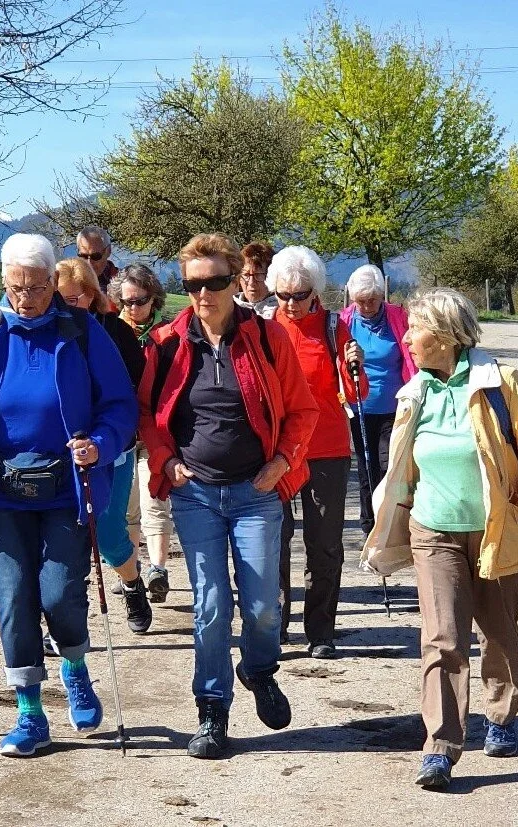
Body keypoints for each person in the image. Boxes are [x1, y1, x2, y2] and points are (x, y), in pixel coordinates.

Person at [0, 234, 138, 757]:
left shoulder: (81, 330)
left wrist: (99, 444)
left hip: (67, 490)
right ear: (4, 280)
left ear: (54, 281)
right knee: (12, 597)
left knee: (57, 592)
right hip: (2, 491)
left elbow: (119, 405)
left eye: (39, 286)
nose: (27, 297)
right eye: (17, 286)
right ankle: (29, 713)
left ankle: (74, 667)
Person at [362, 287, 518, 789]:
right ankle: (441, 746)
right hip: (434, 529)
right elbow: (402, 467)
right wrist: (387, 519)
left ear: (446, 336)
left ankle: (500, 717)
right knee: (443, 637)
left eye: (416, 328)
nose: (406, 337)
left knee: (497, 632)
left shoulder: (502, 384)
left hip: (498, 531)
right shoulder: (416, 392)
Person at [138, 233, 318, 759]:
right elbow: (148, 414)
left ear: (236, 281)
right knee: (212, 606)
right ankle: (212, 711)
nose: (204, 293)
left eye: (215, 282)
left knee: (263, 605)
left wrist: (283, 462)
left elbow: (303, 411)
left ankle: (259, 670)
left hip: (256, 492)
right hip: (195, 493)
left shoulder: (267, 338)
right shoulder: (166, 343)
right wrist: (166, 462)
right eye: (193, 284)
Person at [266, 246, 368, 658]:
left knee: (324, 543)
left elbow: (357, 394)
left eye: (299, 294)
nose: (290, 304)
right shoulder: (262, 328)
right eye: (282, 295)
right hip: (275, 451)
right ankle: (273, 626)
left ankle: (320, 631)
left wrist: (353, 364)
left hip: (326, 448)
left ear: (316, 292)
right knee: (273, 541)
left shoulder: (332, 329)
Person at [56, 258, 152, 633]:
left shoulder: (115, 332)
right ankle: (66, 617)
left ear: (92, 297)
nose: (63, 307)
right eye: (58, 298)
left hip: (113, 448)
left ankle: (131, 584)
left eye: (72, 299)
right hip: (62, 452)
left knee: (109, 534)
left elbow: (136, 390)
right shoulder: (45, 333)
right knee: (66, 534)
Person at [107, 263, 174, 602]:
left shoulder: (167, 335)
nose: (134, 308)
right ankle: (130, 569)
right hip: (120, 431)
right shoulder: (111, 334)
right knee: (126, 506)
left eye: (141, 300)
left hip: (156, 429)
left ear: (154, 299)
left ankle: (158, 569)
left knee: (155, 501)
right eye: (127, 301)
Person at [341, 265, 416, 537]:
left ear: (382, 296)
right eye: (360, 301)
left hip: (395, 405)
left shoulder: (398, 317)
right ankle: (369, 525)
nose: (367, 306)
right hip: (359, 408)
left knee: (390, 466)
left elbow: (412, 353)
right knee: (366, 466)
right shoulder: (345, 321)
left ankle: (392, 524)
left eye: (372, 299)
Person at [234, 241, 279, 319]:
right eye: (246, 275)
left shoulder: (283, 311)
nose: (251, 282)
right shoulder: (228, 308)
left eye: (258, 275)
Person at [77, 225, 118, 293]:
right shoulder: (67, 283)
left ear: (108, 251)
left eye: (95, 256)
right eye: (84, 256)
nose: (89, 263)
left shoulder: (124, 283)